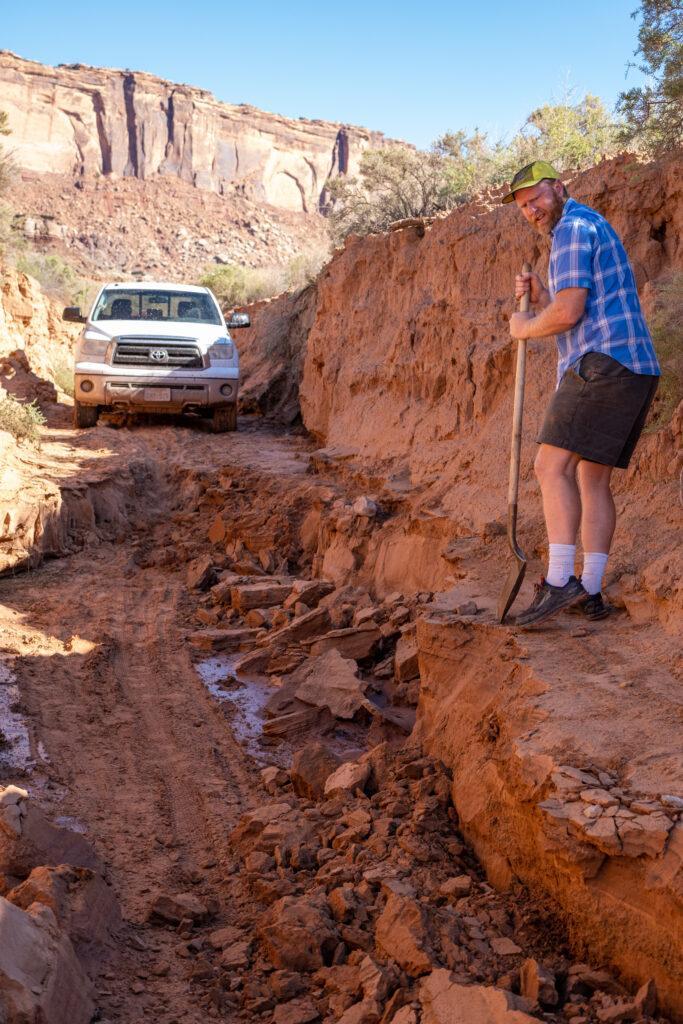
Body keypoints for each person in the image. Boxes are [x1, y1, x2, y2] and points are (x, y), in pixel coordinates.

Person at [503, 160, 660, 627]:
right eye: (524, 207)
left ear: (559, 187)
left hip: (603, 364)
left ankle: (559, 581)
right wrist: (542, 290)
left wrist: (524, 328)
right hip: (633, 367)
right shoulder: (586, 225)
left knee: (549, 466)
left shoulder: (570, 229)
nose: (532, 210)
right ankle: (590, 591)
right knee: (591, 479)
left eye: (537, 199)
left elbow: (569, 314)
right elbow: (579, 300)